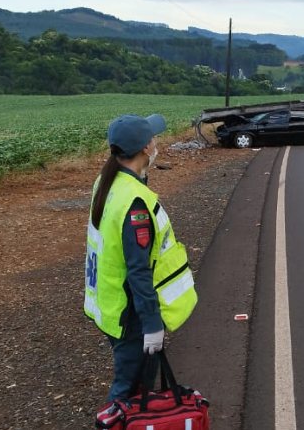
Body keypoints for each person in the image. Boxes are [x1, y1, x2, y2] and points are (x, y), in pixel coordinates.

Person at [84, 113, 198, 402]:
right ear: (146, 149)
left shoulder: (107, 183)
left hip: (110, 305)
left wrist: (142, 175)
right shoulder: (136, 203)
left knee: (133, 388)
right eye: (153, 138)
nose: (157, 141)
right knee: (128, 392)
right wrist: (152, 326)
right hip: (131, 316)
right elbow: (139, 271)